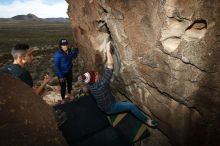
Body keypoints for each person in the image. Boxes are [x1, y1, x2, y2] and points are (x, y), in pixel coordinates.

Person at [78, 42, 158, 128]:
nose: (97, 73)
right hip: (110, 108)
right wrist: (108, 50)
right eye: (96, 75)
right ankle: (147, 121)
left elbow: (86, 86)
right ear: (95, 80)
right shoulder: (101, 85)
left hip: (103, 105)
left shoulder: (90, 85)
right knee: (131, 106)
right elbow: (110, 67)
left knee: (115, 99)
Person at [54, 39, 79, 103]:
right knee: (63, 87)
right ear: (60, 46)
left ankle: (69, 94)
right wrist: (60, 76)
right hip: (62, 74)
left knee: (69, 84)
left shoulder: (69, 51)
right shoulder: (58, 54)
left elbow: (74, 56)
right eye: (63, 45)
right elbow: (56, 66)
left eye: (66, 44)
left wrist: (76, 49)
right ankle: (63, 99)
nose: (65, 46)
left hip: (69, 72)